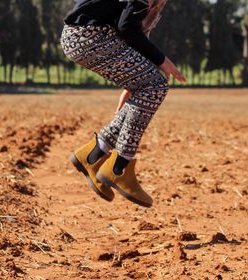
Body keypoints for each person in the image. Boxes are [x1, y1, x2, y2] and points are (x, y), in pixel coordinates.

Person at [61, 0, 186, 208]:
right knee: (156, 86)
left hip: (84, 36)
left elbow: (134, 35)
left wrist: (133, 84)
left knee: (152, 86)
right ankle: (120, 167)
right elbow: (126, 28)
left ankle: (93, 154)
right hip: (90, 36)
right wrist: (163, 61)